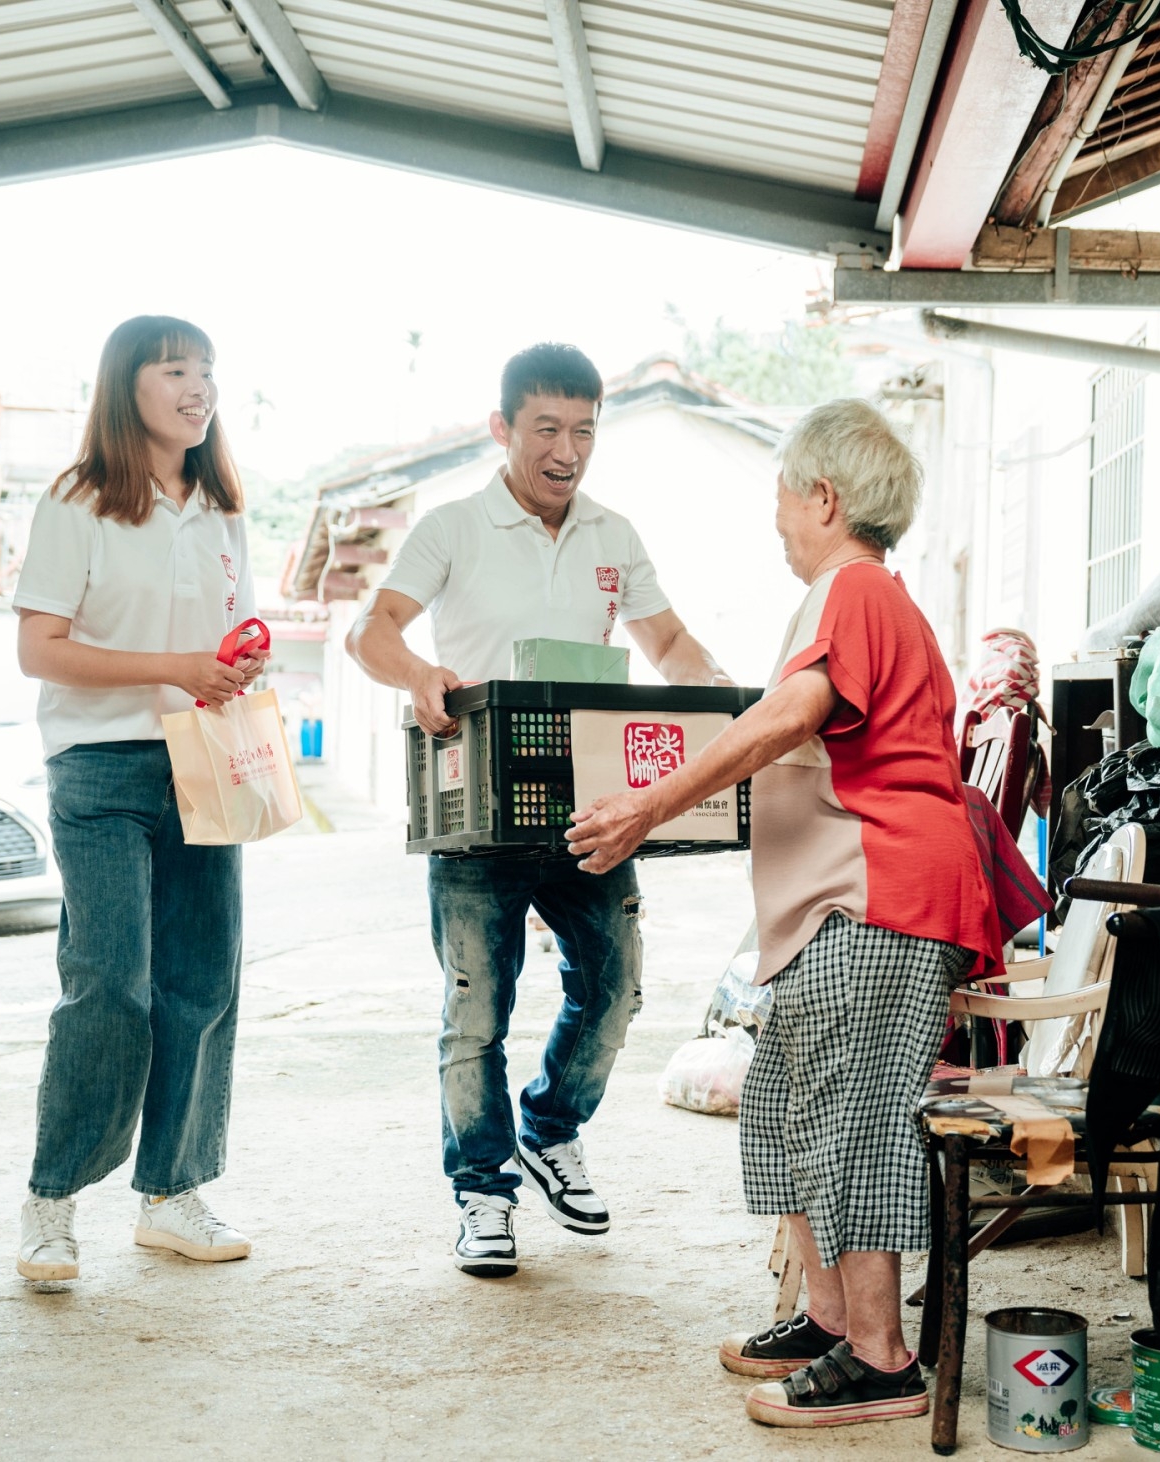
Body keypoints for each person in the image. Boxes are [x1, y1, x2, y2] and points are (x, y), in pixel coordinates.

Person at [567, 398, 998, 1428]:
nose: (772, 516)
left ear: (823, 495)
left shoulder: (850, 587)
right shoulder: (848, 598)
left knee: (853, 1120)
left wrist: (646, 803)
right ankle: (826, 1314)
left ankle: (882, 1356)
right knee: (776, 1106)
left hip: (881, 893)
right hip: (839, 901)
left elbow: (790, 717)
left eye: (778, 493)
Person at [347, 342, 733, 1278]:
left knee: (615, 989)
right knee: (476, 1012)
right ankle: (483, 1192)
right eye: (548, 430)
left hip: (595, 806)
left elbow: (670, 639)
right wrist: (421, 673)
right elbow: (372, 630)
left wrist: (726, 698)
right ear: (505, 429)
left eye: (585, 431)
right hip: (478, 803)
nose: (568, 450)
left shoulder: (613, 535)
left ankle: (551, 1124)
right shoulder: (453, 525)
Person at [10, 315, 266, 1282]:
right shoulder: (79, 500)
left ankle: (172, 1191)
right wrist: (180, 665)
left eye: (208, 369)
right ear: (129, 386)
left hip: (205, 756)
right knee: (110, 981)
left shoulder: (220, 503)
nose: (198, 387)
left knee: (201, 980)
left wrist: (241, 658)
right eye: (176, 370)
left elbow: (229, 631)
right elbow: (40, 648)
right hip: (102, 766)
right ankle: (51, 1198)